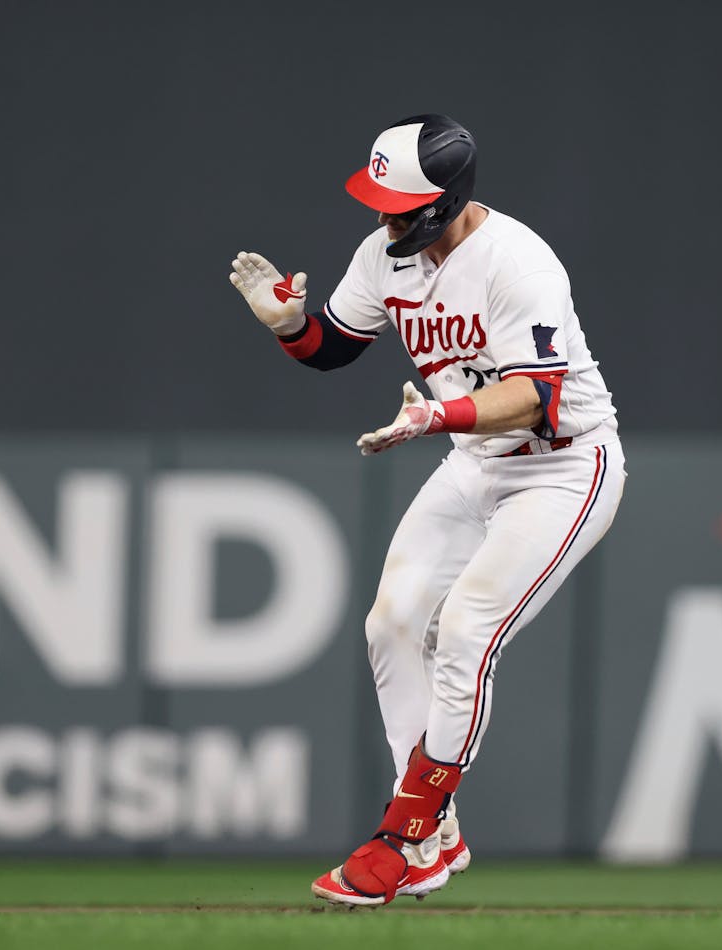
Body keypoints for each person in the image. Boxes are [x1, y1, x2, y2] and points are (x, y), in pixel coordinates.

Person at [229, 114, 624, 907]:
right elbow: (338, 342)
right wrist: (289, 329)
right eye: (379, 200)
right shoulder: (385, 254)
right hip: (472, 461)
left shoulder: (519, 263)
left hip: (562, 466)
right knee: (392, 624)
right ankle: (438, 835)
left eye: (400, 203)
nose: (383, 217)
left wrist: (438, 417)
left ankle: (406, 830)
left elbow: (535, 399)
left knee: (468, 629)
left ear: (445, 201)